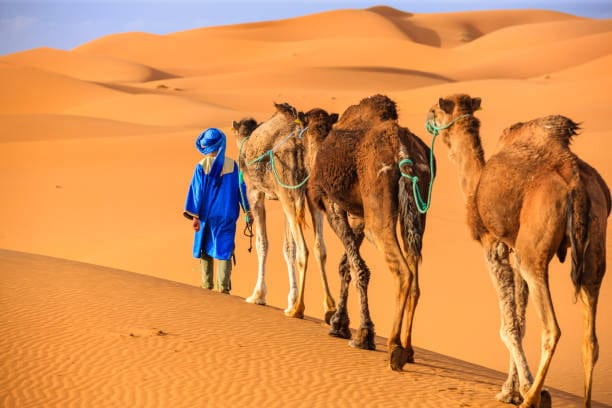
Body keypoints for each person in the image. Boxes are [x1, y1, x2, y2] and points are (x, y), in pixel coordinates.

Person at [183, 127, 251, 294]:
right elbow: (241, 189)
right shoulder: (232, 165)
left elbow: (197, 192)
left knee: (205, 248)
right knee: (225, 249)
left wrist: (195, 216)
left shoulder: (201, 166)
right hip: (227, 215)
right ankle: (223, 288)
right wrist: (247, 211)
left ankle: (207, 285)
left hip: (207, 215)